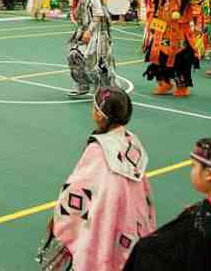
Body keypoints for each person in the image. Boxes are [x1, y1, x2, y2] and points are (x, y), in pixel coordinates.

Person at [38, 88, 155, 271]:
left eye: (94, 108)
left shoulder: (99, 150)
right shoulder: (132, 142)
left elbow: (78, 188)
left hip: (104, 214)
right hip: (129, 218)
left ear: (101, 116)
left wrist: (60, 215)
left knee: (99, 249)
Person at [123, 137, 211, 271]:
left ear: (209, 174)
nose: (191, 170)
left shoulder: (200, 219)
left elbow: (152, 251)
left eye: (194, 166)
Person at [143, 0, 202, 97]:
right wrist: (153, 22)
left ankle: (182, 86)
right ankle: (165, 82)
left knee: (180, 58)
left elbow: (194, 8)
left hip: (179, 30)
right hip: (162, 27)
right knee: (157, 54)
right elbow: (156, 6)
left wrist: (196, 22)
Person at [67, 0, 116, 98]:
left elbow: (98, 14)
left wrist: (89, 31)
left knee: (98, 61)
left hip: (97, 34)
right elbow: (81, 15)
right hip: (85, 31)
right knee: (74, 55)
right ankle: (82, 84)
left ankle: (104, 88)